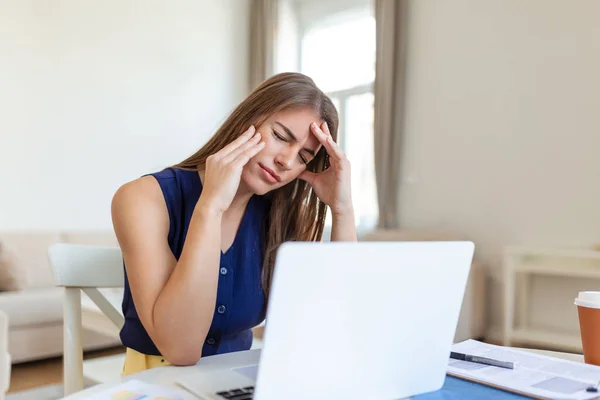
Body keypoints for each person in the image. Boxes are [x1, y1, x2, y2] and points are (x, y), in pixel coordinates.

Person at [111, 72, 357, 375]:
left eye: (304, 156)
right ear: (246, 121)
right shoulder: (143, 199)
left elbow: (337, 328)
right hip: (154, 384)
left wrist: (342, 209)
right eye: (280, 136)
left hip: (237, 382)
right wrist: (211, 207)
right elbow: (181, 349)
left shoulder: (289, 219)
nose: (287, 161)